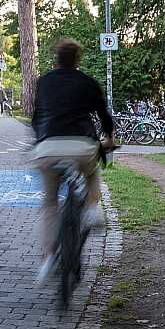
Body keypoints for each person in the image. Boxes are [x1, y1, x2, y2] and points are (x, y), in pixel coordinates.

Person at [30, 37, 116, 266]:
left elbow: (37, 117)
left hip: (48, 148)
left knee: (49, 202)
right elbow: (103, 115)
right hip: (82, 146)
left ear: (56, 59)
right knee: (92, 173)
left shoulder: (44, 82)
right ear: (78, 59)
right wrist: (108, 139)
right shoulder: (88, 82)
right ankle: (92, 209)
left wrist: (39, 143)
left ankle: (49, 256)